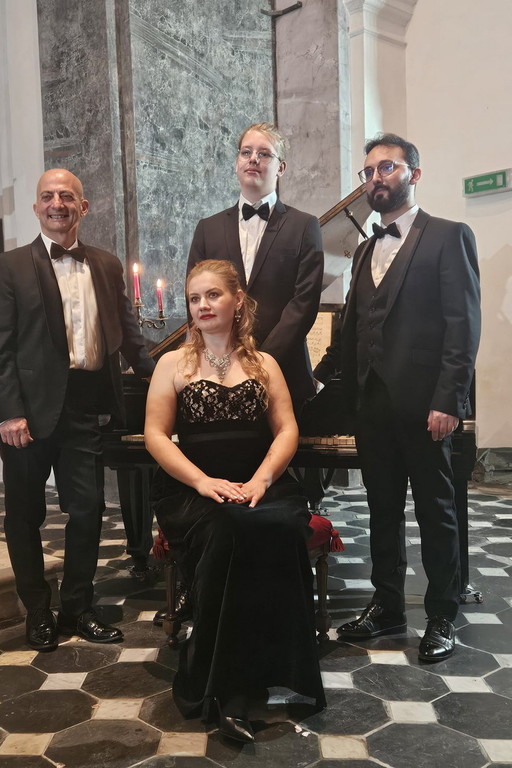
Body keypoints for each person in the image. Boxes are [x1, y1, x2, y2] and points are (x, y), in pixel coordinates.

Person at [314, 133, 481, 661]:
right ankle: (386, 606)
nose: (375, 178)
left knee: (436, 512)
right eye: (368, 172)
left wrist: (449, 400)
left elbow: (463, 327)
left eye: (386, 167)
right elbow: (353, 328)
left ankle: (442, 615)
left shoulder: (449, 235)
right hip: (372, 407)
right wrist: (317, 379)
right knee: (381, 510)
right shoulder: (365, 249)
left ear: (414, 174)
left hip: (428, 407)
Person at [144, 259, 325, 742]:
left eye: (213, 295)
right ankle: (230, 690)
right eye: (194, 298)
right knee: (230, 530)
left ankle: (281, 669)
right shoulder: (171, 364)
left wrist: (263, 479)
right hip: (193, 488)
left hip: (264, 483)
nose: (202, 306)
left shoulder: (265, 364)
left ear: (237, 300)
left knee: (277, 527)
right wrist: (203, 481)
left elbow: (286, 429)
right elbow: (156, 435)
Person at [0, 168, 155, 652]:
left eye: (67, 196)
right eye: (48, 196)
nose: (57, 203)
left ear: (84, 206)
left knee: (88, 510)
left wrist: (162, 373)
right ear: (36, 207)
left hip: (85, 406)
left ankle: (77, 607)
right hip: (27, 414)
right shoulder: (9, 266)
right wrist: (9, 411)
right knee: (24, 515)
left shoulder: (106, 264)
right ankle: (38, 610)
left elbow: (128, 333)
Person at [187, 122, 324, 415]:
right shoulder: (207, 229)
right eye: (246, 152)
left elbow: (304, 303)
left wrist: (261, 362)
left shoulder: (304, 226)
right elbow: (195, 299)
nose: (253, 159)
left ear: (281, 167)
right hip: (218, 374)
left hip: (285, 371)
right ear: (237, 163)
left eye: (264, 154)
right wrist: (227, 361)